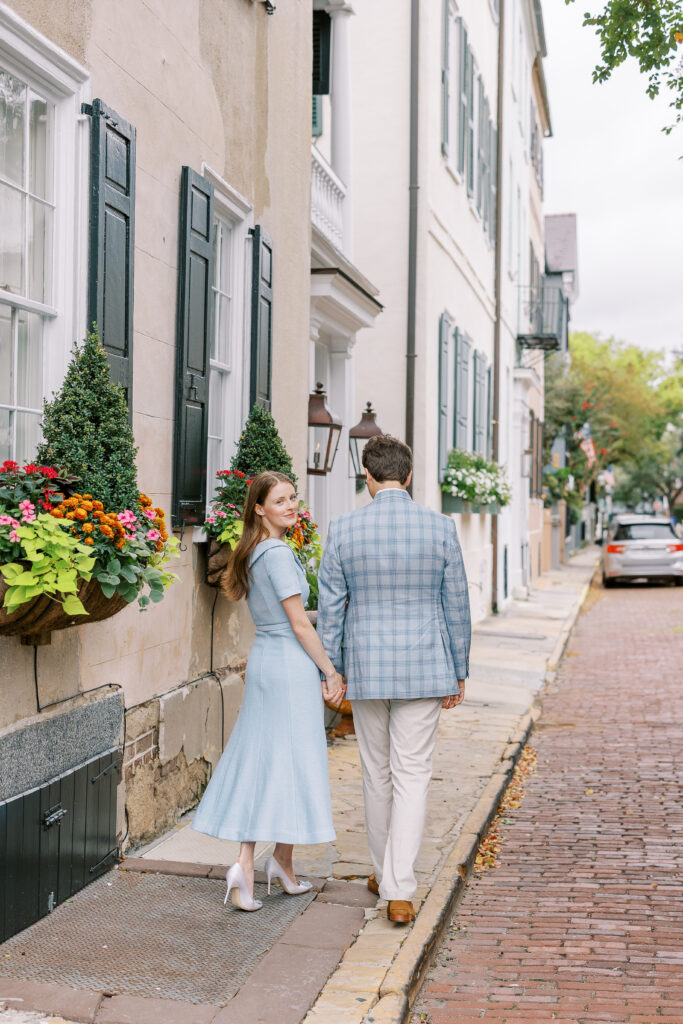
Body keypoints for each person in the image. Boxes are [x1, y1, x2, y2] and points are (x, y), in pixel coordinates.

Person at [317, 435, 471, 924]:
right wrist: (459, 668)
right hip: (425, 666)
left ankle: (389, 874)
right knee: (412, 774)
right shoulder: (441, 527)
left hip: (366, 667)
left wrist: (331, 669)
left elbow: (332, 611)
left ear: (368, 477)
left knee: (376, 773)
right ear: (407, 476)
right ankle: (397, 886)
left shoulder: (342, 529)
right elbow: (457, 606)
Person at [192, 471, 345, 912]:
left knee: (265, 758)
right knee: (289, 761)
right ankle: (265, 860)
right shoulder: (276, 553)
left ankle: (263, 863)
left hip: (266, 660)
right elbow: (298, 623)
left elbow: (287, 617)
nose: (291, 505)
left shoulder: (254, 550)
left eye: (293, 498)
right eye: (280, 501)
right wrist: (330, 671)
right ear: (259, 508)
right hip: (288, 666)